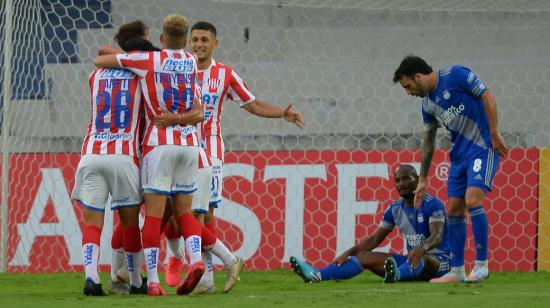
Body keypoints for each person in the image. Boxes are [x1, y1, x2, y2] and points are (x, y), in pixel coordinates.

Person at [154, 20, 305, 293]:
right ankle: (184, 258)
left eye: (204, 40)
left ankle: (206, 278)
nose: (199, 44)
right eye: (195, 39)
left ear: (215, 43)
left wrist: (281, 113)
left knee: (201, 214)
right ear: (188, 42)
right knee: (173, 214)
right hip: (175, 149)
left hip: (208, 152)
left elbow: (252, 103)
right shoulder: (176, 69)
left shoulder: (224, 74)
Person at [93, 14, 205, 296]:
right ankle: (196, 260)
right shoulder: (192, 62)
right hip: (190, 144)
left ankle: (151, 281)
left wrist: (131, 54)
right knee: (184, 212)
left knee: (151, 216)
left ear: (162, 38)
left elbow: (100, 60)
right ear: (186, 39)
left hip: (157, 144)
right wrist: (179, 118)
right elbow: (201, 112)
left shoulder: (148, 61)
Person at [392, 56, 509, 283]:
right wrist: (423, 179)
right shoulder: (427, 105)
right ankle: (456, 271)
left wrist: (494, 131)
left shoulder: (455, 75)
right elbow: (429, 139)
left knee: (473, 200)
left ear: (418, 76)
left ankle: (482, 265)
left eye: (408, 86)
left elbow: (487, 95)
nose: (408, 92)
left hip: (482, 148)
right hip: (458, 156)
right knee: (454, 209)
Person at [73, 20, 151, 296]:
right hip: (123, 155)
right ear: (142, 43)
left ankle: (92, 277)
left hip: (92, 154)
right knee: (130, 222)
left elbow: (101, 53)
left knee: (93, 223)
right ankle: (136, 281)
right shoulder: (142, 74)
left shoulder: (96, 75)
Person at [290, 164, 450, 283]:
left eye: (406, 178)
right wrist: (350, 251)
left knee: (422, 258)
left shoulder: (432, 204)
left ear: (417, 180)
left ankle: (397, 275)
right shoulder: (394, 209)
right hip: (411, 262)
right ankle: (316, 275)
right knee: (363, 256)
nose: (401, 183)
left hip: (438, 262)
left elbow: (437, 236)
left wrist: (421, 248)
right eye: (397, 180)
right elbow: (374, 240)